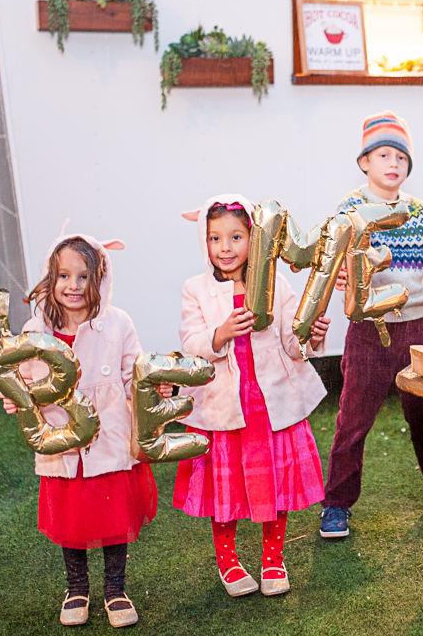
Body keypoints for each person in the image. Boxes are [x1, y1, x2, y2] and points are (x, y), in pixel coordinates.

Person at [319, 110, 423, 539]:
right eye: (382, 154)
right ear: (364, 161)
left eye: (401, 158)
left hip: (416, 330)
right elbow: (335, 263)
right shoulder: (350, 210)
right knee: (353, 418)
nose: (392, 164)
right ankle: (336, 505)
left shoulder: (419, 212)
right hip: (368, 329)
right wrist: (342, 276)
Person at [0, 232, 157, 628]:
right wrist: (16, 397)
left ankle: (116, 588)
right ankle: (77, 587)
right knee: (72, 517)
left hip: (108, 437)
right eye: (64, 276)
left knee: (112, 514)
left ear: (99, 279)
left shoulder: (118, 323)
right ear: (51, 278)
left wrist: (154, 388)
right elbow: (24, 379)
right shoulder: (37, 329)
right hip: (61, 440)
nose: (73, 286)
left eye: (83, 277)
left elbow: (132, 375)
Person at [175, 194, 331, 597]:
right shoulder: (195, 289)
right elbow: (192, 344)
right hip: (223, 408)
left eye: (236, 237)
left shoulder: (278, 287)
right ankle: (228, 563)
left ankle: (273, 559)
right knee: (224, 491)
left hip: (269, 406)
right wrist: (221, 333)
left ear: (254, 239)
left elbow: (292, 345)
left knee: (272, 486)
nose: (225, 248)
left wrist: (311, 335)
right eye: (214, 238)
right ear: (203, 242)